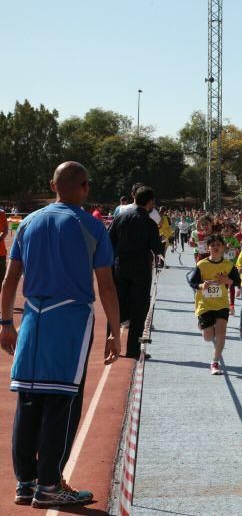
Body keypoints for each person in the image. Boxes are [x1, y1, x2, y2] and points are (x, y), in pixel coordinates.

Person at [0, 161, 121, 508]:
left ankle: (26, 481)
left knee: (28, 397)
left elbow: (10, 280)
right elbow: (107, 287)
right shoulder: (91, 227)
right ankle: (50, 482)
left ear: (52, 184)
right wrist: (115, 331)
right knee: (62, 401)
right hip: (70, 319)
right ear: (84, 187)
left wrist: (6, 323)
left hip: (34, 318)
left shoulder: (27, 222)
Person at [108, 186, 164, 359]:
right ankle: (132, 349)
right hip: (140, 268)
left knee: (117, 306)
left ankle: (110, 344)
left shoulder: (120, 217)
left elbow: (109, 240)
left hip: (120, 266)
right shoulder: (149, 222)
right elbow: (156, 248)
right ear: (150, 202)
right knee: (139, 309)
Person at [187, 234, 241, 374]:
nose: (216, 247)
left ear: (223, 247)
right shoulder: (202, 264)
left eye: (218, 245)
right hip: (204, 304)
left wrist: (227, 280)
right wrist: (201, 285)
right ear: (208, 248)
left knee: (222, 333)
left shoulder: (228, 265)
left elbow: (238, 281)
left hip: (221, 303)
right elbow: (192, 281)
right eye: (213, 245)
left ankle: (215, 362)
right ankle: (204, 326)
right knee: (208, 337)